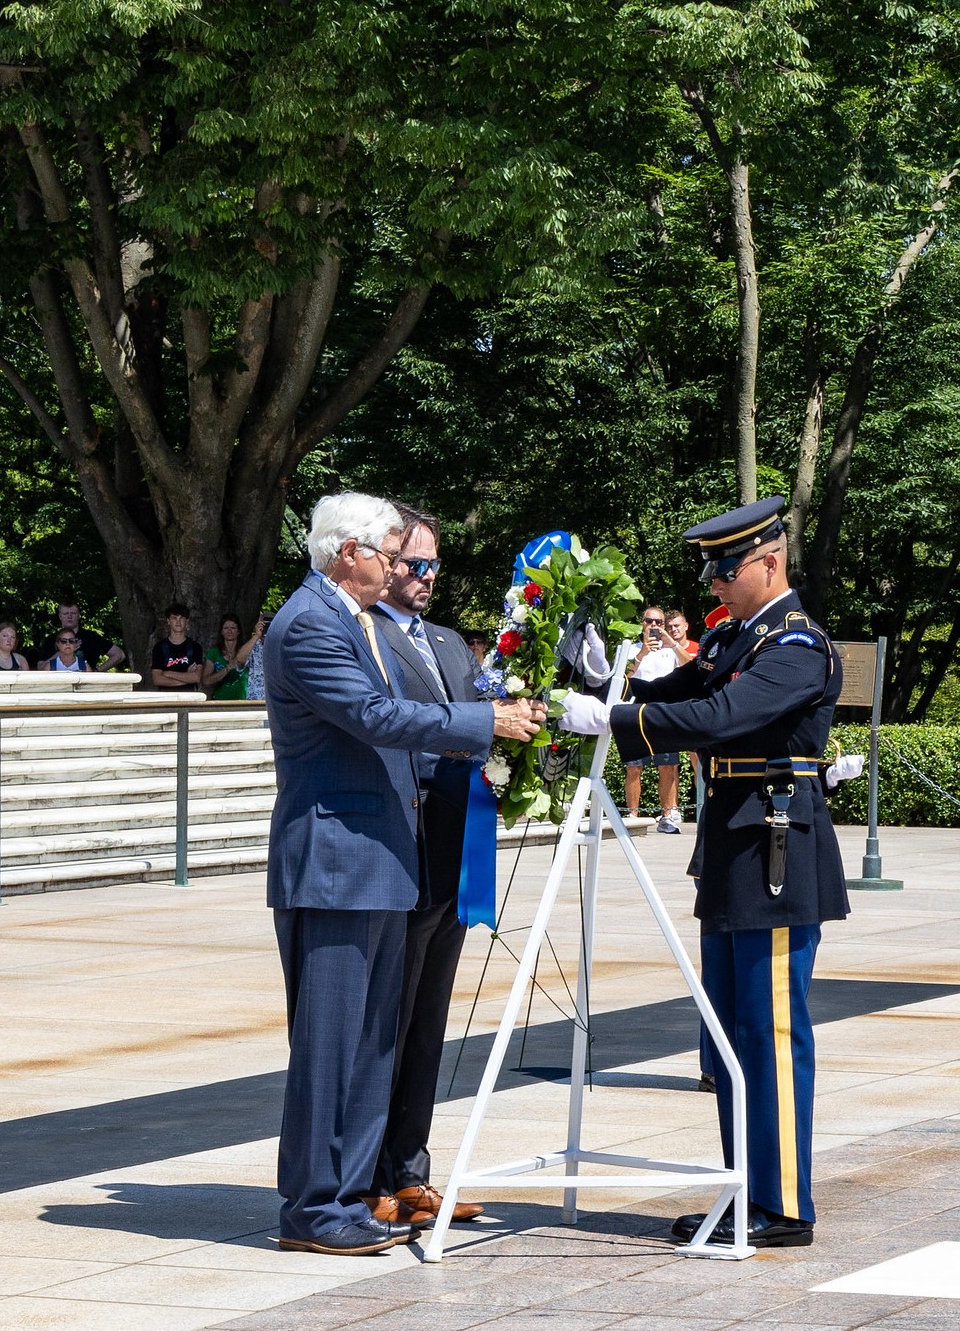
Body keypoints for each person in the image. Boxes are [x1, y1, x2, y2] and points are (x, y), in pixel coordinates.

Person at [560, 496, 849, 1249]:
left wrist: (618, 723)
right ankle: (743, 1190)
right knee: (729, 1036)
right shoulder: (740, 639)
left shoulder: (794, 645)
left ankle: (782, 1204)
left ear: (769, 560)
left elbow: (720, 718)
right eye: (713, 567)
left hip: (777, 853)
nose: (714, 581)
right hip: (734, 851)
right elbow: (674, 695)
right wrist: (603, 683)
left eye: (726, 566)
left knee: (770, 1029)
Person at [264, 491, 544, 1256]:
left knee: (372, 1044)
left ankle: (351, 1195)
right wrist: (486, 723)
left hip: (376, 860)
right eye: (390, 555)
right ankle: (313, 1206)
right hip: (336, 864)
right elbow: (375, 717)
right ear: (348, 551)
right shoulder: (311, 623)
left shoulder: (349, 621)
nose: (397, 570)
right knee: (331, 1044)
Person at [365, 504, 487, 1228]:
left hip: (453, 857)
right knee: (391, 1018)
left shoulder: (448, 643)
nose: (427, 577)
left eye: (435, 565)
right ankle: (373, 1173)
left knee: (430, 1023)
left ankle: (412, 1170)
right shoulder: (366, 636)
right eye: (414, 564)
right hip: (399, 851)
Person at [624, 606, 683, 834]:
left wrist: (672, 642)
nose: (655, 626)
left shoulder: (671, 651)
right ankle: (632, 815)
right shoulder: (632, 649)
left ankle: (667, 815)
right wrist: (641, 655)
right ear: (642, 623)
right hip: (636, 710)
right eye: (650, 621)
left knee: (667, 765)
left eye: (659, 623)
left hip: (663, 710)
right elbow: (623, 676)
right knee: (634, 766)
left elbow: (690, 666)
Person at [37, 601, 126, 672]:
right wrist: (63, 652)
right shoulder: (50, 639)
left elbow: (119, 654)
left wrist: (97, 671)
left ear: (79, 615)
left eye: (73, 613)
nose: (69, 616)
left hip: (86, 685)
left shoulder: (92, 637)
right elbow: (40, 668)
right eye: (66, 614)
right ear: (60, 616)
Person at [202, 614, 258, 699]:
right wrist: (227, 668)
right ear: (221, 631)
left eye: (233, 628)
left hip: (244, 702)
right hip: (219, 702)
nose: (229, 631)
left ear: (238, 631)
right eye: (226, 628)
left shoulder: (246, 651)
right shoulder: (214, 653)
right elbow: (206, 681)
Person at [150, 604, 203, 690]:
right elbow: (157, 679)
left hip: (189, 698)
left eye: (181, 618)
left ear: (187, 621)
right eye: (174, 618)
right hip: (166, 698)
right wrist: (187, 677)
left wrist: (168, 673)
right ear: (168, 621)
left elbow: (196, 677)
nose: (178, 622)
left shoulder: (195, 647)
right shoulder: (159, 647)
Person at [245, 612, 273, 701]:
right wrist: (256, 636)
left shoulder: (281, 644)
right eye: (265, 623)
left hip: (274, 699)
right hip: (255, 699)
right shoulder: (253, 645)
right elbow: (239, 661)